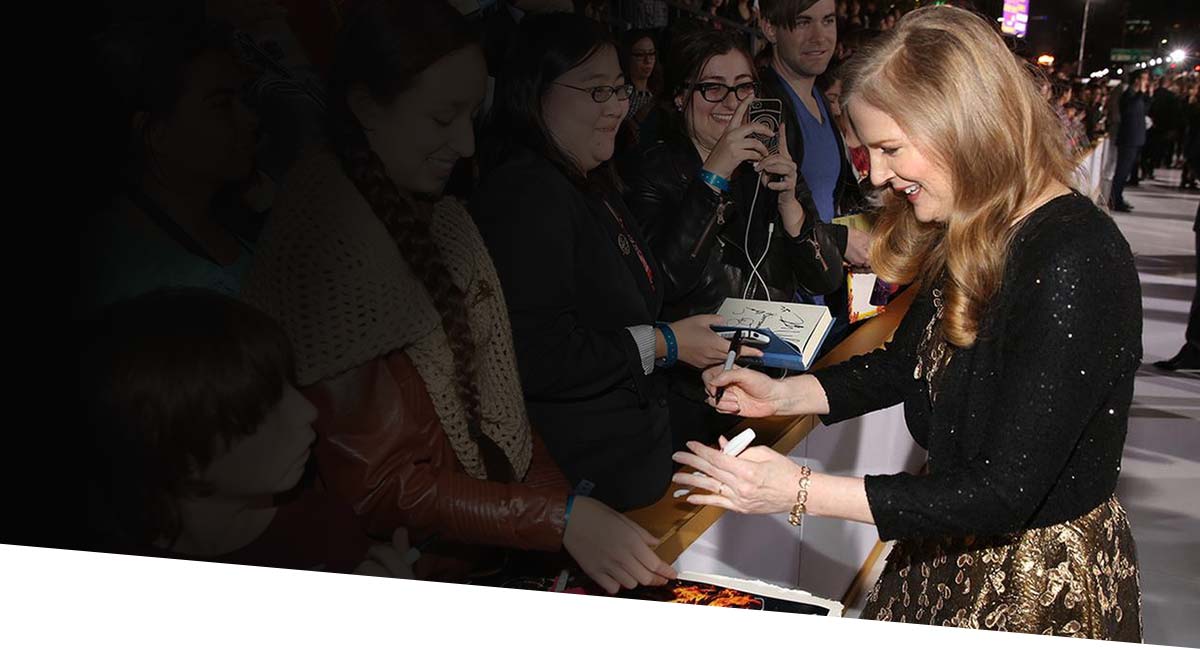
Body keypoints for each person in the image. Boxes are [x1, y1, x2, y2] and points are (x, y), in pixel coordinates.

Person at [673, 7, 1142, 638]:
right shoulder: (976, 228)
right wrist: (786, 393)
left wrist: (800, 490)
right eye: (869, 152)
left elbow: (1006, 490)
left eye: (891, 148)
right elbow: (907, 363)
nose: (880, 174)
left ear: (963, 124)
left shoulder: (1074, 255)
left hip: (1032, 583)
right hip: (944, 548)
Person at [242, 0, 675, 593]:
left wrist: (565, 516)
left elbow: (506, 413)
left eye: (473, 114)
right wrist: (561, 519)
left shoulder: (442, 216)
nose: (467, 144)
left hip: (488, 548)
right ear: (367, 106)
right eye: (443, 117)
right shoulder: (323, 240)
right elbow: (377, 483)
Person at [475, 12, 735, 510]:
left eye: (620, 89)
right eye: (597, 91)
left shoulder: (590, 178)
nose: (617, 106)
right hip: (585, 490)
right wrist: (667, 344)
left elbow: (642, 291)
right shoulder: (525, 193)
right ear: (535, 91)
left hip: (636, 467)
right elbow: (542, 356)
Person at [79, 288, 412, 578]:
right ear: (180, 459)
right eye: (263, 412)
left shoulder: (325, 525)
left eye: (288, 384)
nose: (308, 411)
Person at [623, 28, 844, 445]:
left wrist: (791, 205)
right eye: (712, 88)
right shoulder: (653, 172)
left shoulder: (771, 163)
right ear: (679, 96)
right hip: (693, 395)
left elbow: (826, 279)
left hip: (774, 384)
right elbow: (665, 283)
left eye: (743, 87)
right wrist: (714, 175)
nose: (731, 102)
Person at [79, 18, 264, 314]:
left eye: (241, 100)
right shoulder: (138, 284)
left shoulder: (228, 213)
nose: (251, 120)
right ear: (156, 134)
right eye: (221, 105)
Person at [757, 0, 871, 348]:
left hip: (825, 298)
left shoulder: (820, 97)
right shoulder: (766, 105)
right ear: (769, 28)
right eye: (803, 22)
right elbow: (760, 216)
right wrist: (840, 240)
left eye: (828, 20)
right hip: (786, 307)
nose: (820, 36)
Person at [1110, 70, 1150, 212]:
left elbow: (1145, 109)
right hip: (1128, 138)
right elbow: (1127, 110)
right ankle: (1115, 200)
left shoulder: (1138, 96)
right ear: (1137, 80)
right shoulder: (1128, 95)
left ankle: (1118, 197)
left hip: (1136, 138)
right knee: (1122, 171)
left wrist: (1145, 94)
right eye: (1144, 79)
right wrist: (1140, 93)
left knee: (1125, 172)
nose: (1146, 81)